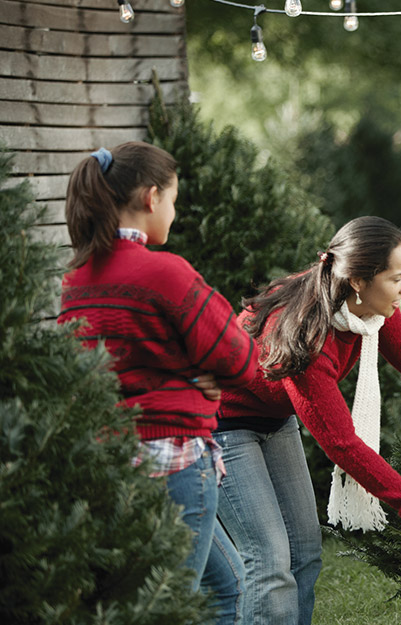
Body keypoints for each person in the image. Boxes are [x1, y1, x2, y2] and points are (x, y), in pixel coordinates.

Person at [215, 216, 401, 625]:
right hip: (221, 424)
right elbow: (342, 444)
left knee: (304, 551)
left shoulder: (367, 312)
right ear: (358, 280)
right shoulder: (305, 335)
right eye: (396, 278)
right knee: (269, 562)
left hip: (272, 420)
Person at [58, 142, 258, 625]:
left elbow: (97, 370)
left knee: (226, 588)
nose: (173, 211)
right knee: (169, 608)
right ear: (151, 198)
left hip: (112, 462)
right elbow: (240, 357)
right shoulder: (165, 272)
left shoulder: (77, 279)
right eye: (172, 199)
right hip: (175, 465)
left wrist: (186, 372)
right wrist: (199, 373)